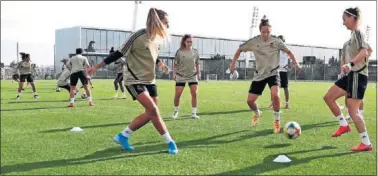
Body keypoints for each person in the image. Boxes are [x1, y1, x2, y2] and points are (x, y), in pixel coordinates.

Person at [87, 8, 177, 155]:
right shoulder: (137, 36)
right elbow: (119, 53)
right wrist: (96, 66)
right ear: (157, 22)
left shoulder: (158, 39)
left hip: (150, 80)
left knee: (151, 113)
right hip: (134, 80)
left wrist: (160, 64)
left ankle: (123, 136)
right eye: (166, 23)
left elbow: (152, 55)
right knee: (153, 111)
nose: (168, 26)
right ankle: (170, 142)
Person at [229, 16, 300, 134]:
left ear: (270, 31)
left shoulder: (277, 41)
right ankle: (257, 113)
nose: (266, 34)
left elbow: (289, 52)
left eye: (268, 32)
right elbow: (239, 50)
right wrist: (233, 65)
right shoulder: (253, 42)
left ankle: (276, 120)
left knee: (275, 95)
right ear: (260, 31)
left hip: (273, 72)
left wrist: (296, 62)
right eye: (263, 32)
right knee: (250, 101)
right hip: (259, 75)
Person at [323, 7, 372, 151]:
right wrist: (345, 66)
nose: (343, 22)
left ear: (353, 18)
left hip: (358, 75)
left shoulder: (358, 33)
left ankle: (366, 143)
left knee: (353, 112)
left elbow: (365, 51)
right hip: (350, 75)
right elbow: (367, 51)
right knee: (328, 97)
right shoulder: (350, 38)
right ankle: (344, 125)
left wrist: (351, 64)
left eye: (345, 19)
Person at [341, 41, 372, 121]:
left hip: (359, 73)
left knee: (359, 97)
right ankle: (349, 112)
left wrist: (364, 60)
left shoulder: (362, 42)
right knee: (347, 94)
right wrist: (342, 69)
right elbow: (343, 58)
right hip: (348, 72)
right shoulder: (346, 44)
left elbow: (369, 51)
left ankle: (360, 113)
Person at [172, 34, 201, 119]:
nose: (189, 43)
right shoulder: (179, 52)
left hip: (193, 76)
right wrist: (174, 74)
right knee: (178, 95)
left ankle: (194, 113)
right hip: (181, 76)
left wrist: (199, 73)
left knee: (194, 94)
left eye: (191, 42)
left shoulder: (195, 52)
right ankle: (176, 111)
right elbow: (175, 64)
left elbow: (198, 63)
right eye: (188, 41)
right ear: (184, 42)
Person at [269, 35, 290, 109]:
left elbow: (290, 58)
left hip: (283, 71)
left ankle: (287, 103)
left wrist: (288, 66)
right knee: (273, 88)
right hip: (276, 71)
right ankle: (273, 103)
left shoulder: (286, 50)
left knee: (285, 87)